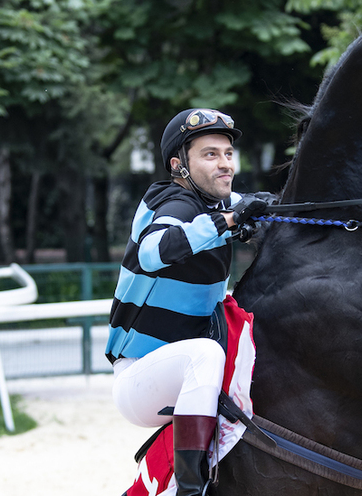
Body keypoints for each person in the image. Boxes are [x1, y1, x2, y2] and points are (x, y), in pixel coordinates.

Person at [105, 108, 269, 496]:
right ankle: (190, 491)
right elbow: (151, 252)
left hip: (183, 376)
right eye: (210, 154)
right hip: (140, 379)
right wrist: (230, 223)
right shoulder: (173, 203)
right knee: (205, 354)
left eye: (228, 153)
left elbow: (278, 209)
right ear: (180, 166)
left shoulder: (217, 204)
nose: (225, 163)